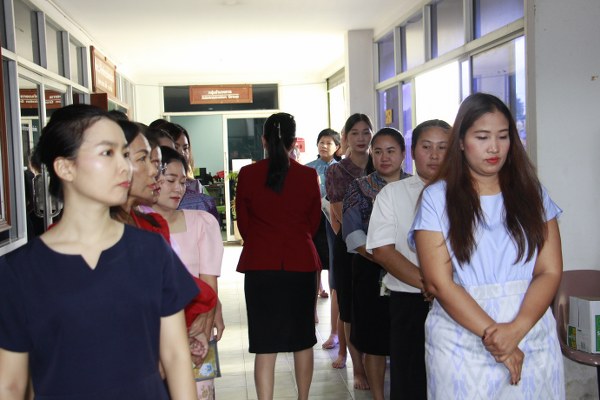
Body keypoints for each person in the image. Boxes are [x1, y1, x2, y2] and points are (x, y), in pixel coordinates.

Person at [0, 104, 198, 400]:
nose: (124, 167)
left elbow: (175, 357)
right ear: (65, 167)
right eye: (108, 153)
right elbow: (11, 385)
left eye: (125, 154)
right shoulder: (19, 271)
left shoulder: (152, 252)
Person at [410, 93, 565, 399]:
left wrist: (516, 329)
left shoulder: (532, 193)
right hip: (462, 337)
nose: (494, 147)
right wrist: (498, 338)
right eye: (482, 137)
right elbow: (439, 283)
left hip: (530, 331)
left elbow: (549, 270)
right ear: (460, 142)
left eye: (503, 136)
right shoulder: (436, 199)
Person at [236, 113, 321, 400]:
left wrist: (263, 241)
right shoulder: (307, 176)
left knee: (265, 344)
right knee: (303, 340)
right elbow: (313, 223)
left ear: (264, 140)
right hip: (300, 262)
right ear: (293, 141)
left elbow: (244, 224)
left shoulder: (248, 174)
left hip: (261, 263)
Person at [366, 119, 451, 399]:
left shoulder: (468, 195)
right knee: (410, 383)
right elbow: (382, 250)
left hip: (461, 303)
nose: (435, 155)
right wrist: (430, 284)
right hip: (410, 302)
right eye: (427, 147)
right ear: (413, 152)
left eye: (443, 147)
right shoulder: (393, 194)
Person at [342, 127, 410, 400]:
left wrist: (403, 265)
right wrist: (385, 259)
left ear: (403, 154)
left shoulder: (417, 186)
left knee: (407, 339)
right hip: (370, 272)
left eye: (391, 151)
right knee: (375, 341)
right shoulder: (359, 187)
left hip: (410, 275)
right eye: (378, 151)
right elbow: (353, 234)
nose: (384, 157)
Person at [153, 146, 224, 400]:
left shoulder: (202, 222)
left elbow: (209, 283)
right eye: (170, 180)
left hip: (197, 326)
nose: (178, 189)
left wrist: (203, 323)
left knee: (200, 392)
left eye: (183, 182)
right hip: (152, 332)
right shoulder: (133, 225)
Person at [324, 113, 372, 386]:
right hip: (350, 247)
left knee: (373, 305)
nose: (361, 138)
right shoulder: (337, 171)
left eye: (366, 132)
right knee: (350, 307)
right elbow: (342, 213)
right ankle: (358, 367)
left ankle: (373, 358)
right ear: (345, 138)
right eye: (355, 133)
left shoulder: (380, 163)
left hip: (382, 246)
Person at [305, 129, 340, 339]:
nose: (324, 146)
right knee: (314, 265)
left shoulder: (342, 169)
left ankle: (334, 318)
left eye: (329, 142)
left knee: (333, 265)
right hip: (315, 221)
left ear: (338, 146)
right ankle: (312, 310)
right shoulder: (308, 168)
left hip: (335, 221)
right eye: (321, 142)